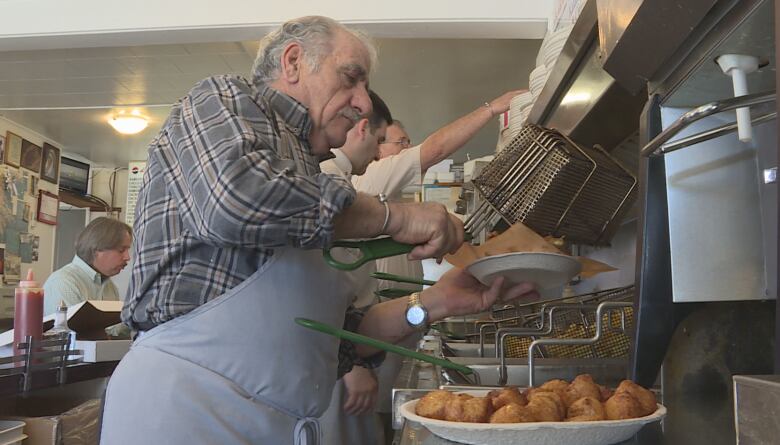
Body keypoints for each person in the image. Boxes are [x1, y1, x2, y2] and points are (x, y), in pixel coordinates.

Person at [100, 16, 536, 445]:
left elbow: (344, 341)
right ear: (292, 63)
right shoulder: (222, 99)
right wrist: (396, 217)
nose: (363, 103)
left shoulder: (312, 177)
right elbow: (237, 200)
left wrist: (435, 302)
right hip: (187, 413)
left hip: (269, 424)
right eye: (351, 79)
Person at [350, 91, 524, 434]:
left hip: (386, 329)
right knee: (376, 423)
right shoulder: (368, 180)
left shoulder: (383, 197)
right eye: (388, 140)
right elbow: (435, 150)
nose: (397, 148)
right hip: (367, 345)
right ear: (362, 131)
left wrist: (435, 300)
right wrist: (493, 108)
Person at [318, 91, 392, 445]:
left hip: (349, 347)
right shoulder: (329, 181)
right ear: (361, 127)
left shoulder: (340, 180)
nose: (379, 153)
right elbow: (328, 288)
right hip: (339, 357)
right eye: (379, 141)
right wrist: (356, 364)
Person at [43, 217, 131, 315]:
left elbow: (115, 329)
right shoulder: (64, 283)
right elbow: (68, 329)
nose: (127, 257)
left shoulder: (110, 287)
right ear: (97, 249)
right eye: (121, 250)